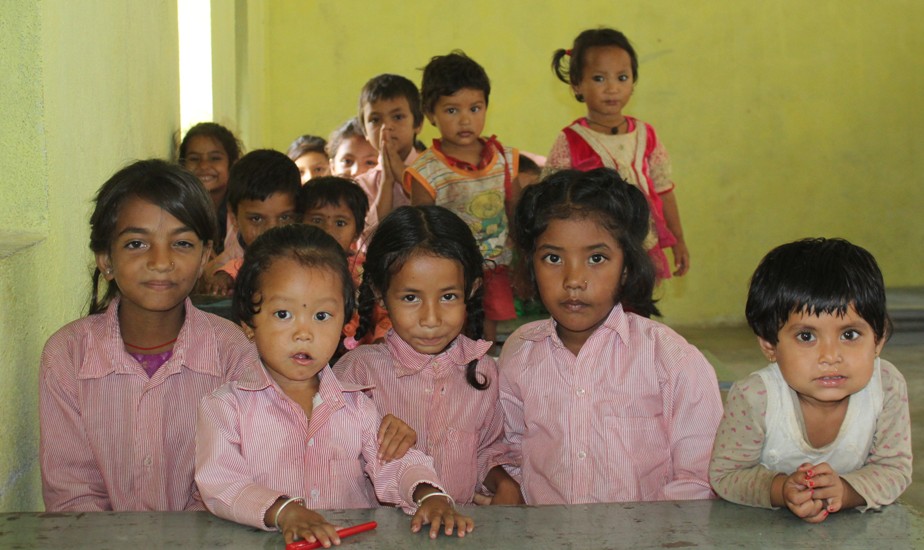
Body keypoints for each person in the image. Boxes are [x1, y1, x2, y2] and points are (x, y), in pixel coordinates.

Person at [195, 224, 474, 546]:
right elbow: (221, 483)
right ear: (248, 324)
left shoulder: (357, 407)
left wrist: (430, 496)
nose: (304, 333)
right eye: (283, 314)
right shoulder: (226, 407)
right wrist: (284, 512)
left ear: (345, 323)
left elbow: (396, 463)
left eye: (322, 316)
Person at [39, 160, 258, 511]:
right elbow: (73, 495)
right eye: (137, 244)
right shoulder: (67, 355)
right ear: (105, 260)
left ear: (205, 256)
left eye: (181, 243)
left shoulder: (232, 352)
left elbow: (231, 483)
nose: (160, 261)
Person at [500, 168, 722, 505]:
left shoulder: (671, 359)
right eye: (553, 258)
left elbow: (699, 476)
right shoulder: (520, 352)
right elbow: (511, 450)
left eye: (596, 258)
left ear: (627, 267)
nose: (574, 280)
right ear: (532, 265)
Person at [710, 238, 911, 522]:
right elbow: (726, 475)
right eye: (806, 336)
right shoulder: (755, 398)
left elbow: (894, 469)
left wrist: (845, 492)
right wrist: (782, 490)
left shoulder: (886, 386)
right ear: (770, 345)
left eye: (850, 335)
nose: (830, 356)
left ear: (878, 339)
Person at [335, 205, 522, 505]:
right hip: (379, 529)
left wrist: (504, 483)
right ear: (380, 293)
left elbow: (486, 449)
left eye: (448, 296)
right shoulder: (358, 374)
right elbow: (330, 456)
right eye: (411, 297)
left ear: (471, 289)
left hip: (458, 527)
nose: (431, 319)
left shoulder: (483, 371)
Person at [547, 28, 689, 280]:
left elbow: (664, 190)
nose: (612, 88)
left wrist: (678, 239)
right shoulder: (570, 140)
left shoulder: (647, 135)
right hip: (593, 249)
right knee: (601, 299)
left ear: (633, 83)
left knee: (639, 299)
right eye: (599, 78)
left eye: (622, 77)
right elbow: (553, 199)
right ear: (577, 85)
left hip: (643, 243)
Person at [405, 51, 520, 344]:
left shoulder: (504, 159)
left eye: (475, 108)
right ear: (430, 114)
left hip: (494, 266)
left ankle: (483, 365)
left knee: (486, 328)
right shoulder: (426, 171)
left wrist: (523, 261)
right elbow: (422, 230)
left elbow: (516, 211)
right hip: (448, 270)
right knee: (451, 326)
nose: (465, 119)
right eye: (452, 110)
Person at [300, 176, 392, 349]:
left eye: (340, 223)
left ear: (357, 233)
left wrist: (381, 341)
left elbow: (386, 315)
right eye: (317, 220)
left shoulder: (367, 270)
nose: (327, 230)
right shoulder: (289, 267)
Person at [201, 149, 301, 295]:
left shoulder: (310, 253)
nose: (271, 230)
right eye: (256, 219)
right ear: (234, 217)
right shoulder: (226, 265)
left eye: (285, 217)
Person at [355, 74, 424, 235]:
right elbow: (370, 238)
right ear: (365, 131)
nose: (386, 126)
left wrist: (404, 176)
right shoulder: (362, 185)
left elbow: (438, 220)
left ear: (418, 123)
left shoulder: (434, 172)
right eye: (375, 120)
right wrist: (386, 182)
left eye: (398, 117)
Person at [178, 122, 244, 255]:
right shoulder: (178, 207)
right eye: (194, 158)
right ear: (182, 165)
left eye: (215, 158)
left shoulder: (242, 207)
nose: (203, 166)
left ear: (233, 164)